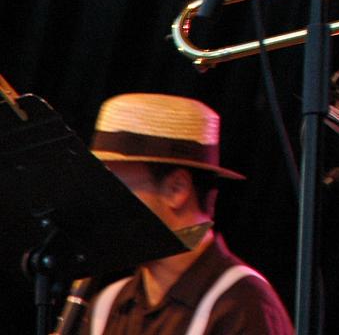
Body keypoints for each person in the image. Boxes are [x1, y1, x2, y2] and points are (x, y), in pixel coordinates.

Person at [82, 92, 292, 335]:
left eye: (114, 188)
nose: (101, 205)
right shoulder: (109, 305)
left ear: (177, 189)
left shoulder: (241, 304)